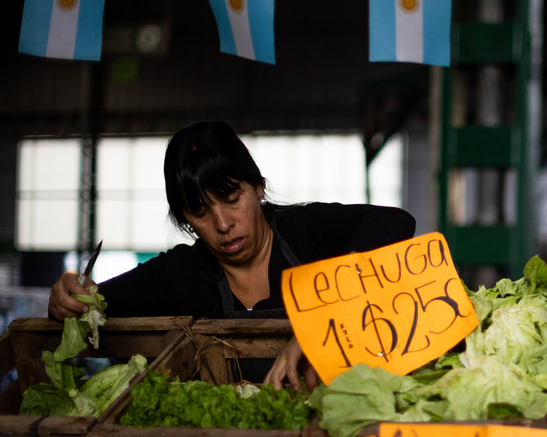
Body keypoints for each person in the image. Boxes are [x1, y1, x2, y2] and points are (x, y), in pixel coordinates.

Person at [48, 120, 416, 390]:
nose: (223, 224)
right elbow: (94, 302)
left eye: (232, 199)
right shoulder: (181, 272)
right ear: (185, 219)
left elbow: (395, 222)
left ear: (258, 187)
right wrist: (68, 292)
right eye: (200, 212)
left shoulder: (304, 233)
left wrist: (319, 321)